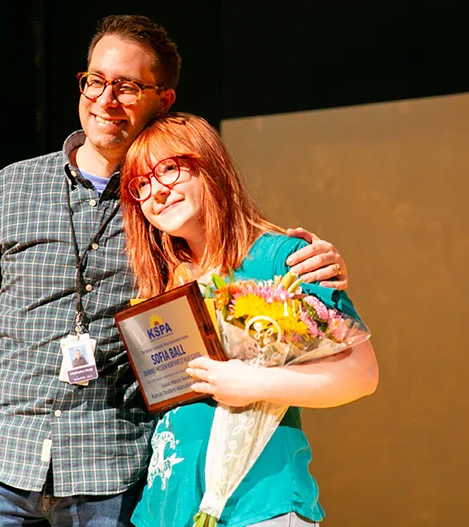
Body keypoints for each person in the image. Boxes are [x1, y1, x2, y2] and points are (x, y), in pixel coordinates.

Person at [0, 15, 350, 527]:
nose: (106, 99)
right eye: (95, 81)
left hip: (109, 470)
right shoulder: (12, 187)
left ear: (163, 99)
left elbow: (231, 243)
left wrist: (308, 257)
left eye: (127, 86)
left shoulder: (164, 213)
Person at [119, 113, 379, 527]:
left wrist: (251, 384)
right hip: (164, 511)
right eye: (141, 184)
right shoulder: (162, 284)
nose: (156, 190)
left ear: (210, 164)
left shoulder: (283, 258)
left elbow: (362, 373)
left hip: (258, 504)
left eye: (169, 168)